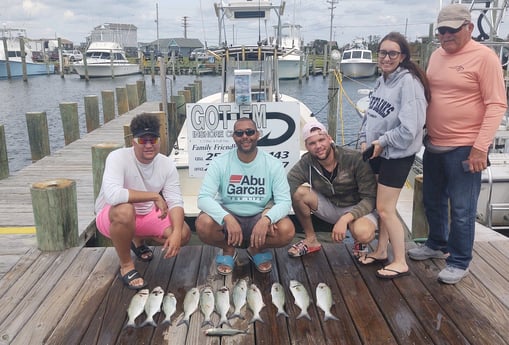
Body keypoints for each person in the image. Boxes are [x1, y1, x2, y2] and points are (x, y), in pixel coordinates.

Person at [407, 4, 507, 284]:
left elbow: (497, 103)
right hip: (434, 145)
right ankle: (437, 243)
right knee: (432, 200)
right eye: (442, 30)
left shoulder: (484, 57)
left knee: (462, 209)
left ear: (469, 28)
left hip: (465, 148)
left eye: (452, 29)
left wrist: (480, 147)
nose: (446, 35)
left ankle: (460, 260)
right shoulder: (437, 55)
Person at [358, 32, 430, 279]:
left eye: (392, 53)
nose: (386, 57)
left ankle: (400, 261)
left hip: (396, 154)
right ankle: (380, 250)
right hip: (378, 151)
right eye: (382, 52)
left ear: (403, 56)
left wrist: (383, 141)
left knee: (385, 209)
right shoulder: (382, 80)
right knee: (384, 207)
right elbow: (370, 115)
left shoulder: (409, 83)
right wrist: (364, 139)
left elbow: (411, 128)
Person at [95, 113, 191, 290]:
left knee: (183, 233)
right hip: (112, 217)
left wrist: (176, 233)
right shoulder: (117, 157)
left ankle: (137, 240)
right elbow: (113, 196)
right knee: (125, 211)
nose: (148, 145)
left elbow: (175, 200)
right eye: (142, 141)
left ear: (159, 141)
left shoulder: (167, 164)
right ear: (133, 142)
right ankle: (126, 266)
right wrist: (154, 196)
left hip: (146, 214)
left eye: (153, 140)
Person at [195, 117, 295, 275]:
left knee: (287, 230)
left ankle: (255, 249)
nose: (245, 137)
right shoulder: (219, 162)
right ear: (233, 137)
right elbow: (203, 198)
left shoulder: (273, 164)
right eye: (239, 133)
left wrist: (267, 219)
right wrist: (226, 217)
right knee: (203, 224)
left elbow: (284, 202)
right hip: (230, 214)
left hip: (259, 214)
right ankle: (229, 250)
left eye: (250, 132)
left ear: (258, 134)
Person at [287, 121, 378, 258]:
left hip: (358, 208)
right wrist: (268, 215)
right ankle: (311, 240)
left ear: (329, 138)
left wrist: (345, 219)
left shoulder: (354, 158)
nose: (318, 146)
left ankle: (360, 243)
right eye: (312, 143)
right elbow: (286, 187)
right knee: (299, 193)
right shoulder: (306, 163)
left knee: (363, 233)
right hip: (331, 207)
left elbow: (370, 198)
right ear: (306, 146)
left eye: (321, 140)